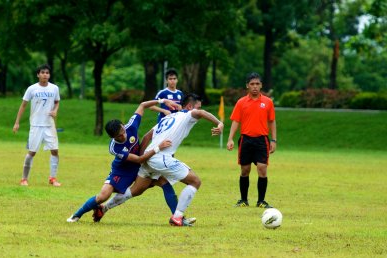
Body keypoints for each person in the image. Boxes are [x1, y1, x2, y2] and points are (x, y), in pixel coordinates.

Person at [94, 93, 224, 227]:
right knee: (195, 181)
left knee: (136, 190)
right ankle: (177, 217)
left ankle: (103, 208)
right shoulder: (187, 115)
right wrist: (219, 123)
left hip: (149, 157)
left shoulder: (169, 118)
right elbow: (201, 113)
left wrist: (142, 158)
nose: (199, 110)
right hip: (160, 158)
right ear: (190, 106)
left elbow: (146, 137)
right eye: (197, 106)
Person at [66, 98, 181, 222]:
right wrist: (158, 147)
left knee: (163, 181)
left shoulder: (130, 126)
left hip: (140, 168)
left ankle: (177, 217)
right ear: (112, 137)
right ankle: (76, 215)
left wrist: (162, 101)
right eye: (120, 135)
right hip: (122, 171)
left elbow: (142, 105)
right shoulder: (115, 147)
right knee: (103, 196)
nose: (124, 135)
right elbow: (138, 159)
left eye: (123, 131)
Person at [227, 72, 277, 208]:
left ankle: (261, 201)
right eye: (252, 84)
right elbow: (235, 121)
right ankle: (243, 200)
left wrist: (274, 140)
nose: (255, 86)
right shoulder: (241, 102)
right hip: (246, 140)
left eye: (257, 84)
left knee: (262, 169)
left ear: (261, 85)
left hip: (262, 141)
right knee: (245, 170)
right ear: (247, 86)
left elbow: (272, 121)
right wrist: (230, 139)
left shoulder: (268, 102)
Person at [13, 64, 61, 187]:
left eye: (47, 73)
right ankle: (24, 179)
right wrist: (17, 122)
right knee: (32, 152)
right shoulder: (32, 89)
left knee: (55, 151)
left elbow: (57, 102)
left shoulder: (54, 88)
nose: (45, 75)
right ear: (38, 74)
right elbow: (23, 105)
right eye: (43, 72)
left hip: (49, 125)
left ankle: (52, 178)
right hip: (36, 125)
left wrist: (55, 110)